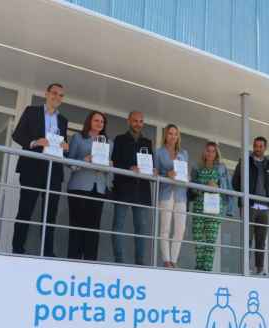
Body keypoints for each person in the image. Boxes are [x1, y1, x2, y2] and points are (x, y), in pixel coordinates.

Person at [11, 83, 69, 257]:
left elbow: (61, 145)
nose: (57, 97)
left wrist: (65, 147)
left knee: (50, 215)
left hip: (54, 171)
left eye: (60, 95)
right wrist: (35, 142)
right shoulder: (31, 111)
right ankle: (18, 249)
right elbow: (17, 135)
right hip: (32, 168)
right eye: (54, 93)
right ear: (46, 94)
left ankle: (48, 253)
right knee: (25, 210)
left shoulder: (63, 120)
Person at [66, 111, 110, 261]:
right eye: (96, 120)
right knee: (77, 226)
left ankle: (90, 262)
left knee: (94, 228)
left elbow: (109, 171)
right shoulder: (78, 138)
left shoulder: (108, 142)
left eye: (102, 122)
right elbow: (69, 163)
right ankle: (74, 260)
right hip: (79, 186)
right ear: (89, 121)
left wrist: (108, 166)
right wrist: (85, 160)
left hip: (99, 188)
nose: (99, 124)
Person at [111, 111, 153, 265]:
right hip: (123, 186)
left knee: (141, 228)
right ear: (129, 121)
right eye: (135, 121)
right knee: (118, 225)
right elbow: (114, 161)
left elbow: (151, 164)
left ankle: (140, 262)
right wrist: (129, 168)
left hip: (142, 190)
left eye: (141, 121)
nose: (138, 124)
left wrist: (153, 170)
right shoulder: (120, 139)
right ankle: (119, 260)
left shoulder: (147, 142)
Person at [232, 137, 269, 275]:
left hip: (264, 208)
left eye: (261, 146)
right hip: (249, 205)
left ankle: (259, 269)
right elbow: (235, 181)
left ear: (265, 148)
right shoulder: (245, 161)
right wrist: (244, 198)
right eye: (256, 146)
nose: (258, 149)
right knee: (247, 239)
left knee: (261, 241)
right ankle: (246, 268)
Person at [190, 142, 235, 272]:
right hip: (199, 206)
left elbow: (228, 188)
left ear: (216, 153)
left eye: (213, 151)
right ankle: (199, 268)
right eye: (208, 151)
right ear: (204, 152)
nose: (210, 153)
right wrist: (204, 186)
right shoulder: (197, 167)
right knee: (198, 239)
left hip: (215, 208)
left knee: (210, 240)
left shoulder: (221, 168)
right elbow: (191, 188)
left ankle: (207, 269)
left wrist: (217, 187)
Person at [154, 124, 188, 268]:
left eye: (175, 134)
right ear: (165, 135)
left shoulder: (183, 153)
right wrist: (166, 174)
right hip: (166, 193)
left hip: (180, 194)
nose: (173, 136)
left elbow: (184, 172)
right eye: (170, 133)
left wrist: (187, 177)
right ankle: (166, 260)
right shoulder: (159, 152)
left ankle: (174, 260)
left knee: (180, 229)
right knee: (165, 228)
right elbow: (155, 172)